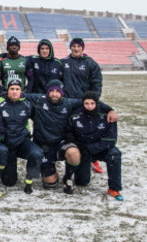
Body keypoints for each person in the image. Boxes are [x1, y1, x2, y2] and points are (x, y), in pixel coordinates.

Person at [23, 80, 116, 190]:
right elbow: (18, 94)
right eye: (51, 91)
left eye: (57, 91)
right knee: (51, 185)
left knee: (74, 153)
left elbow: (90, 100)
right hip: (43, 145)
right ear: (47, 92)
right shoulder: (39, 100)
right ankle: (50, 167)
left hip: (61, 143)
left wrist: (110, 110)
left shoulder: (69, 102)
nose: (54, 94)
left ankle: (67, 177)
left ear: (62, 93)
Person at [64, 91, 123, 200]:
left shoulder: (107, 116)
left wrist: (92, 148)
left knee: (115, 154)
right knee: (82, 182)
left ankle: (114, 188)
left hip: (101, 148)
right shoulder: (75, 116)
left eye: (92, 103)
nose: (89, 106)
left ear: (97, 103)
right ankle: (84, 168)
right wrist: (80, 147)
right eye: (86, 103)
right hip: (84, 150)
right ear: (83, 103)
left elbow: (111, 140)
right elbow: (70, 134)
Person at [61, 37, 104, 173]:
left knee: (87, 132)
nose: (76, 48)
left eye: (78, 46)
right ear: (70, 47)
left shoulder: (91, 63)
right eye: (73, 46)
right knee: (68, 131)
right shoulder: (64, 62)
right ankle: (68, 154)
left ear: (82, 48)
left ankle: (93, 159)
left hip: (83, 104)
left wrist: (93, 101)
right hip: (68, 103)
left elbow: (97, 83)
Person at [0, 79, 44, 194]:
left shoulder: (27, 104)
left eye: (17, 89)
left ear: (21, 91)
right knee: (9, 181)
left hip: (22, 140)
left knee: (37, 153)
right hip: (7, 142)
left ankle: (29, 181)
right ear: (7, 91)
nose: (14, 92)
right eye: (12, 89)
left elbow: (35, 119)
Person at [0, 36, 28, 103]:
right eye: (11, 45)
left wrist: (27, 93)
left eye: (16, 45)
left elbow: (31, 79)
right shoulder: (1, 61)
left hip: (21, 94)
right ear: (7, 47)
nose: (14, 47)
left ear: (19, 47)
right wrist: (2, 92)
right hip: (6, 95)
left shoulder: (25, 60)